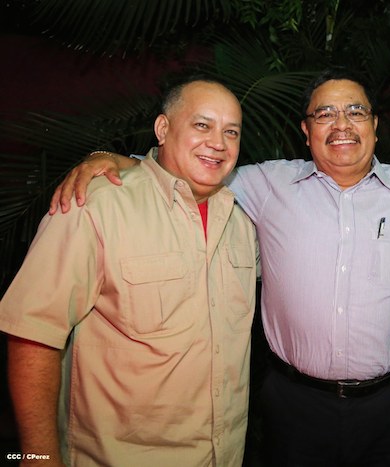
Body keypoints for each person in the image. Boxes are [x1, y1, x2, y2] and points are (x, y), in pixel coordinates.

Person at [49, 68, 390, 467]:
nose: (342, 124)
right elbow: (180, 169)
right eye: (325, 114)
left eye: (356, 112)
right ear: (306, 131)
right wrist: (106, 158)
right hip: (294, 402)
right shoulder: (265, 184)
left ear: (374, 124)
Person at [0, 77, 257, 466]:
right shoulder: (96, 204)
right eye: (202, 125)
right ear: (163, 129)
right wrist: (39, 456)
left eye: (231, 132)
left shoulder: (241, 223)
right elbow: (32, 333)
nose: (218, 143)